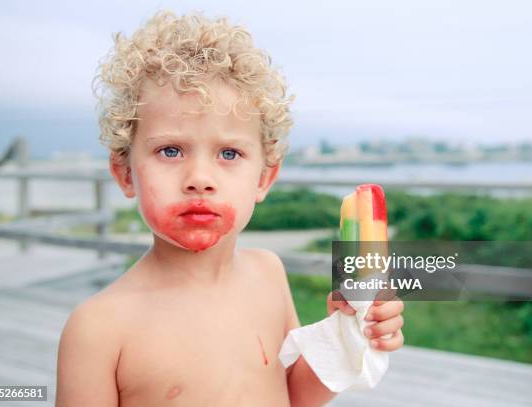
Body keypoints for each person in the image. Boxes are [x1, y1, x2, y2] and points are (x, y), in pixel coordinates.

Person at [55, 10, 404, 407]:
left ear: (263, 179)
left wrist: (346, 335)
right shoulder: (98, 328)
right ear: (125, 174)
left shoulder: (268, 273)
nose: (200, 177)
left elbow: (295, 396)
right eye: (170, 150)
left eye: (229, 152)